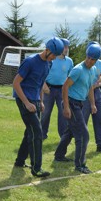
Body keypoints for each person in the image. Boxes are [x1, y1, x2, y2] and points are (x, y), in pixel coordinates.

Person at [13, 37, 64, 177]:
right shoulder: (30, 62)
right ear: (47, 50)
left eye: (56, 55)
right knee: (37, 132)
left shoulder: (49, 64)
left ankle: (20, 161)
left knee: (30, 131)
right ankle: (37, 168)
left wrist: (41, 101)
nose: (54, 58)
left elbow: (41, 83)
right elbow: (16, 83)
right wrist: (26, 103)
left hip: (35, 99)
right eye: (53, 54)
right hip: (24, 98)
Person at [61, 42, 101, 174]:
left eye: (93, 59)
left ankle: (59, 155)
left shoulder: (93, 70)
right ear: (86, 56)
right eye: (88, 57)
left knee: (71, 131)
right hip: (71, 103)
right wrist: (66, 107)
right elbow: (65, 86)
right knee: (83, 135)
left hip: (79, 103)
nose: (90, 61)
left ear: (97, 60)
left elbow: (90, 87)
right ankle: (80, 164)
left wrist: (93, 104)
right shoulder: (78, 69)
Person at [41, 38, 74, 146]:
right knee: (45, 113)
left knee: (63, 114)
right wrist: (44, 85)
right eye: (65, 47)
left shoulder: (69, 61)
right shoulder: (51, 59)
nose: (66, 49)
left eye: (67, 47)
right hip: (49, 89)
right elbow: (43, 73)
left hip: (62, 90)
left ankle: (63, 137)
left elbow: (71, 77)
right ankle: (42, 134)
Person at [82, 41, 101, 152]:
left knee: (100, 120)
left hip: (97, 92)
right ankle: (82, 144)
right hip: (86, 93)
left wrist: (100, 79)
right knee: (83, 120)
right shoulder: (84, 64)